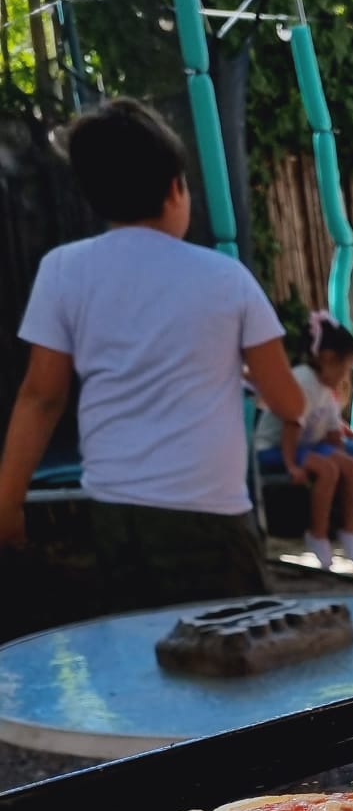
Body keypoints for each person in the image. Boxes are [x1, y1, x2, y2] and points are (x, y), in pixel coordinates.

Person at [0, 96, 305, 609]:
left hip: (116, 516)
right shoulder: (226, 278)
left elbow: (40, 396)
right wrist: (304, 409)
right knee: (236, 661)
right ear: (175, 190)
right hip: (212, 517)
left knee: (137, 662)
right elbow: (284, 398)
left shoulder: (63, 270)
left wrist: (7, 500)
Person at [254, 312, 353, 568]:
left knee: (349, 465)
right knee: (328, 468)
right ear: (328, 359)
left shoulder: (324, 387)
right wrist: (291, 465)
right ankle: (317, 534)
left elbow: (333, 431)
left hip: (307, 446)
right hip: (275, 449)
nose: (346, 376)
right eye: (345, 368)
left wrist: (349, 455)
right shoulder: (303, 380)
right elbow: (290, 425)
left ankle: (349, 532)